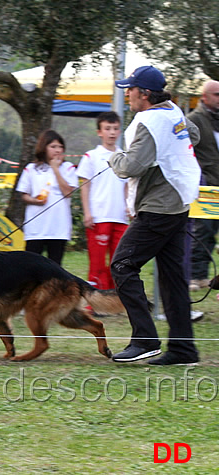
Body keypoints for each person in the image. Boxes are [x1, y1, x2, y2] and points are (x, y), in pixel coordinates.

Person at [109, 65, 201, 365]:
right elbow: (194, 135)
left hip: (158, 207)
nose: (127, 93)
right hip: (179, 202)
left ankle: (145, 340)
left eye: (131, 89)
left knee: (123, 263)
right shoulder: (173, 111)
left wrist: (112, 154)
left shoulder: (148, 121)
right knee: (173, 279)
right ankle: (183, 350)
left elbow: (128, 167)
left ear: (144, 94)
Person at [76, 111, 128, 289]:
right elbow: (85, 185)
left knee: (119, 261)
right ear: (99, 132)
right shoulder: (91, 156)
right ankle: (96, 298)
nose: (112, 133)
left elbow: (128, 185)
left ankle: (116, 297)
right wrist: (88, 213)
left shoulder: (125, 157)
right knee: (97, 262)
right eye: (107, 129)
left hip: (120, 217)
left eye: (115, 129)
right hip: (99, 217)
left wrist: (130, 208)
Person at [15, 130, 77, 265]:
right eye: (53, 147)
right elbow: (23, 194)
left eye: (60, 147)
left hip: (58, 228)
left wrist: (56, 169)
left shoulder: (68, 168)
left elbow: (68, 192)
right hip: (36, 227)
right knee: (31, 265)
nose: (57, 150)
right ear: (44, 147)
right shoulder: (31, 168)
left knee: (55, 267)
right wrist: (35, 201)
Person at [188, 80, 219, 292]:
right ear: (205, 97)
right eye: (217, 95)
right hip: (207, 185)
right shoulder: (194, 120)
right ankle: (196, 276)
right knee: (204, 230)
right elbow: (187, 151)